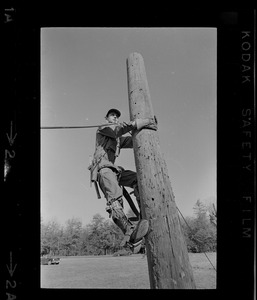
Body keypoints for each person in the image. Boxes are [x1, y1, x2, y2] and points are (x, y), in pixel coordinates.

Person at [88, 108, 157, 251]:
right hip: (103, 169)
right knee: (115, 200)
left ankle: (144, 215)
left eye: (117, 116)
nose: (115, 117)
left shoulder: (118, 139)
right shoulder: (104, 128)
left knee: (138, 179)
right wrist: (139, 122)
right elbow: (117, 130)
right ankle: (130, 234)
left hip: (114, 170)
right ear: (106, 118)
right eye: (112, 115)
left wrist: (146, 128)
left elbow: (134, 140)